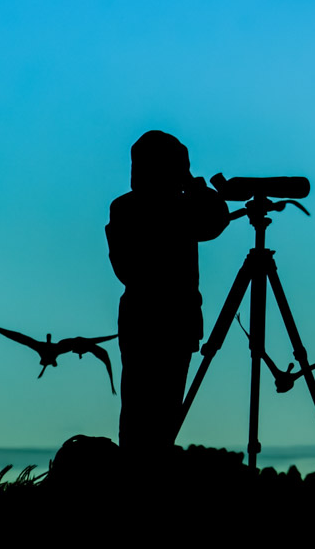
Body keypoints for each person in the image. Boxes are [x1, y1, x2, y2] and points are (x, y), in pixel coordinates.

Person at [107, 130, 229, 457]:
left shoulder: (125, 207)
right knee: (154, 415)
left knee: (139, 413)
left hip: (148, 321)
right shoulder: (178, 208)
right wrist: (195, 186)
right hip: (171, 321)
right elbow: (216, 222)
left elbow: (214, 222)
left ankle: (140, 471)